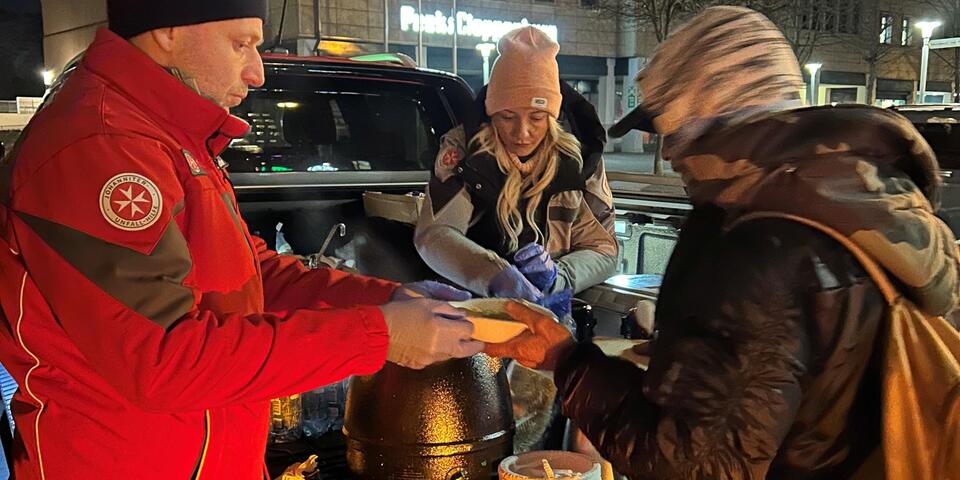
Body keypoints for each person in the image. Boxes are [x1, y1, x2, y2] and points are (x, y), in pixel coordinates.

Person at [0, 1, 483, 478]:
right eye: (241, 44)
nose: (257, 72)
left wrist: (393, 297)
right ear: (168, 28)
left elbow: (248, 274)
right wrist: (381, 334)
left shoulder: (169, 133)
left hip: (212, 456)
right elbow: (163, 362)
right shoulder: (101, 144)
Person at [485, 6, 960, 479]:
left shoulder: (761, 246)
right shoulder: (852, 202)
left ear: (719, 117)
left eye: (673, 130)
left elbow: (695, 464)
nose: (667, 152)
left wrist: (566, 362)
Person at [414, 26, 618, 319]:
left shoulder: (580, 159)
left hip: (549, 313)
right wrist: (496, 275)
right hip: (472, 307)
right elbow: (435, 235)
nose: (522, 133)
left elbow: (603, 248)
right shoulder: (463, 150)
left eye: (536, 118)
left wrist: (557, 277)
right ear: (491, 112)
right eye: (507, 117)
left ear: (552, 116)